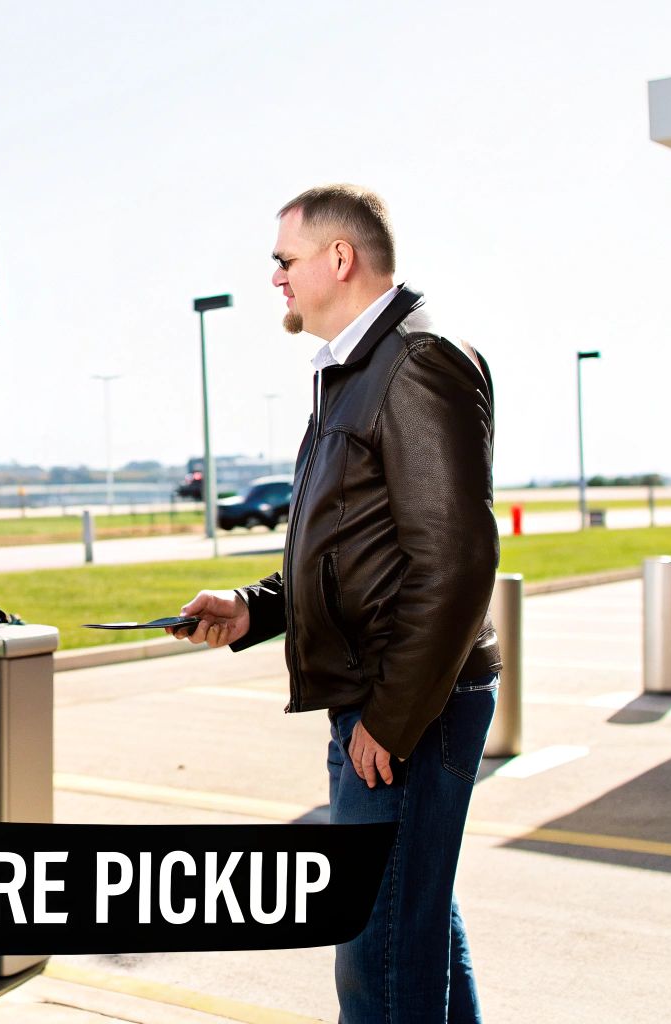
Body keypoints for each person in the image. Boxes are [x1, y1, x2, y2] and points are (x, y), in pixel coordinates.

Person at [172, 183, 500, 1023]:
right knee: (411, 931)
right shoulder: (357, 368)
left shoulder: (416, 361)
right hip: (379, 698)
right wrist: (256, 608)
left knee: (378, 959)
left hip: (404, 709)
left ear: (340, 259)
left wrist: (391, 719)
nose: (276, 279)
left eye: (285, 261)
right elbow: (358, 553)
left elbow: (456, 561)